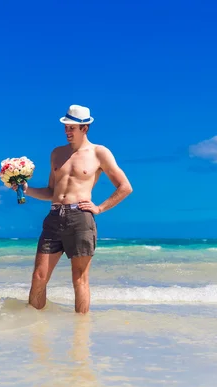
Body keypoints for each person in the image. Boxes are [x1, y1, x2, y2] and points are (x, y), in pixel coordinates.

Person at [13, 104, 133, 314]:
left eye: (72, 128)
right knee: (39, 276)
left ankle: (81, 334)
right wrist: (27, 189)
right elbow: (51, 191)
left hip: (80, 217)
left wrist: (100, 208)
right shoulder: (57, 153)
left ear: (84, 128)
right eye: (66, 127)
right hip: (54, 217)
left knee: (79, 278)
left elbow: (125, 187)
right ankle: (34, 331)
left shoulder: (99, 152)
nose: (67, 131)